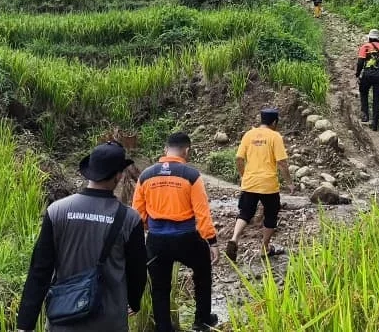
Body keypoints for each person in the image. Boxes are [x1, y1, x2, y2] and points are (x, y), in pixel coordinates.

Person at [16, 142, 147, 332]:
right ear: (118, 176)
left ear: (90, 171)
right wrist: (134, 301)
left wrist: (25, 324)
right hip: (109, 322)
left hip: (63, 318)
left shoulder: (57, 211)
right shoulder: (130, 219)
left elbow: (40, 270)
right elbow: (137, 271)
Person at [133, 132, 220, 332]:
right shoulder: (191, 176)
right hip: (186, 238)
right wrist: (212, 242)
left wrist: (150, 228)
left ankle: (164, 327)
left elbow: (137, 213)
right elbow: (202, 213)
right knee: (202, 272)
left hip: (156, 241)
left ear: (165, 149)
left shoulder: (146, 175)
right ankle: (202, 321)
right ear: (186, 150)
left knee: (160, 287)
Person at [226, 108, 295, 262]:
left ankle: (234, 238)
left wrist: (244, 176)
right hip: (268, 185)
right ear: (274, 122)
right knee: (271, 215)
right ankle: (265, 248)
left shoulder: (248, 135)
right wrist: (289, 183)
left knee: (245, 213)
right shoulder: (275, 136)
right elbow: (282, 163)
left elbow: (238, 159)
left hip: (250, 183)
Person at [356, 29, 379, 131]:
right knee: (377, 98)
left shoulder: (365, 47)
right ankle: (375, 123)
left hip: (367, 75)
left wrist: (357, 74)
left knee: (363, 92)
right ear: (378, 39)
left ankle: (365, 116)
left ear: (369, 38)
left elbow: (360, 62)